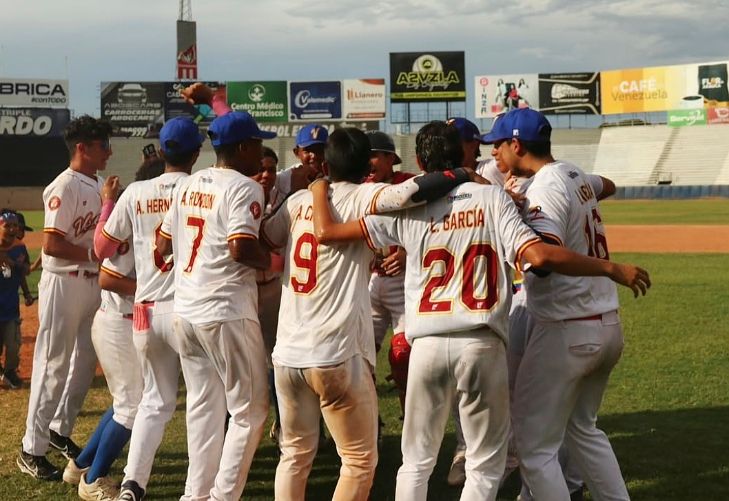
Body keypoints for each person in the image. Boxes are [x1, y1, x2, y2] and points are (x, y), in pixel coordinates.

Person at [309, 120, 649, 501]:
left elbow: (331, 234)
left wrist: (319, 187)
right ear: (464, 154)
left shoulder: (410, 205)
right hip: (480, 341)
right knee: (485, 465)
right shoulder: (493, 197)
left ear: (419, 161)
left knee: (416, 462)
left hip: (426, 342)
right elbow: (538, 256)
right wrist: (610, 268)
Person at [261, 127, 478, 501]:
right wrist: (462, 172)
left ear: (326, 164)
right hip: (335, 351)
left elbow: (267, 236)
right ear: (367, 167)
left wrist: (315, 189)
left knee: (293, 456)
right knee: (359, 462)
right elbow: (413, 190)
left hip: (288, 355)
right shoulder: (366, 194)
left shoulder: (298, 200)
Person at [485, 107, 640, 500]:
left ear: (517, 145)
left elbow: (543, 261)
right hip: (604, 323)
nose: (494, 153)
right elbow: (606, 185)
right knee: (583, 430)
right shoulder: (570, 172)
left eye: (498, 145)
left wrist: (515, 218)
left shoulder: (546, 186)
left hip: (568, 327)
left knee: (535, 448)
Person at [157, 111, 274, 500]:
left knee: (203, 408)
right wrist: (273, 260)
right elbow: (241, 248)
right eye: (256, 143)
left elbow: (162, 244)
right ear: (242, 148)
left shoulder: (187, 184)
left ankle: (195, 494)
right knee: (249, 412)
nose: (260, 150)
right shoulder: (244, 186)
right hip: (225, 310)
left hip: (186, 310)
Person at [94, 117, 203, 501]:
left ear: (160, 151)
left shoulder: (136, 192)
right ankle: (197, 489)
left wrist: (108, 204)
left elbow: (102, 249)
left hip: (144, 309)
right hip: (187, 308)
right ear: (197, 153)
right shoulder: (199, 187)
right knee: (202, 401)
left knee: (154, 402)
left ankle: (132, 484)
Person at [64, 157, 170, 501]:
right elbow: (108, 278)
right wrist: (150, 290)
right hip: (118, 323)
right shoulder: (136, 221)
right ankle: (93, 480)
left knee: (126, 401)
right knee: (132, 407)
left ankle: (80, 465)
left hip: (122, 321)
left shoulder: (138, 215)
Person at [18, 115, 112, 481]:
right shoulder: (64, 185)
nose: (108, 151)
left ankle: (58, 429)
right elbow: (52, 244)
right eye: (102, 145)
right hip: (64, 282)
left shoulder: (99, 183)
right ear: (82, 148)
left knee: (85, 361)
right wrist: (92, 255)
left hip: (91, 284)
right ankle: (31, 449)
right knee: (52, 363)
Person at [364, 131, 413, 423]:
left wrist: (407, 251)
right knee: (360, 358)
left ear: (390, 158)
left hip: (403, 281)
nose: (368, 162)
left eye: (373, 155)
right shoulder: (359, 187)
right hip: (370, 282)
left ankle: (411, 424)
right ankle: (371, 423)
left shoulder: (408, 183)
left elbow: (429, 224)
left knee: (403, 357)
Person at [0, 211, 23, 389]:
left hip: (11, 307)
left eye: (15, 225)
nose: (12, 229)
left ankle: (10, 371)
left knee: (14, 344)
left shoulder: (20, 249)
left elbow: (24, 272)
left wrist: (13, 263)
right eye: (7, 225)